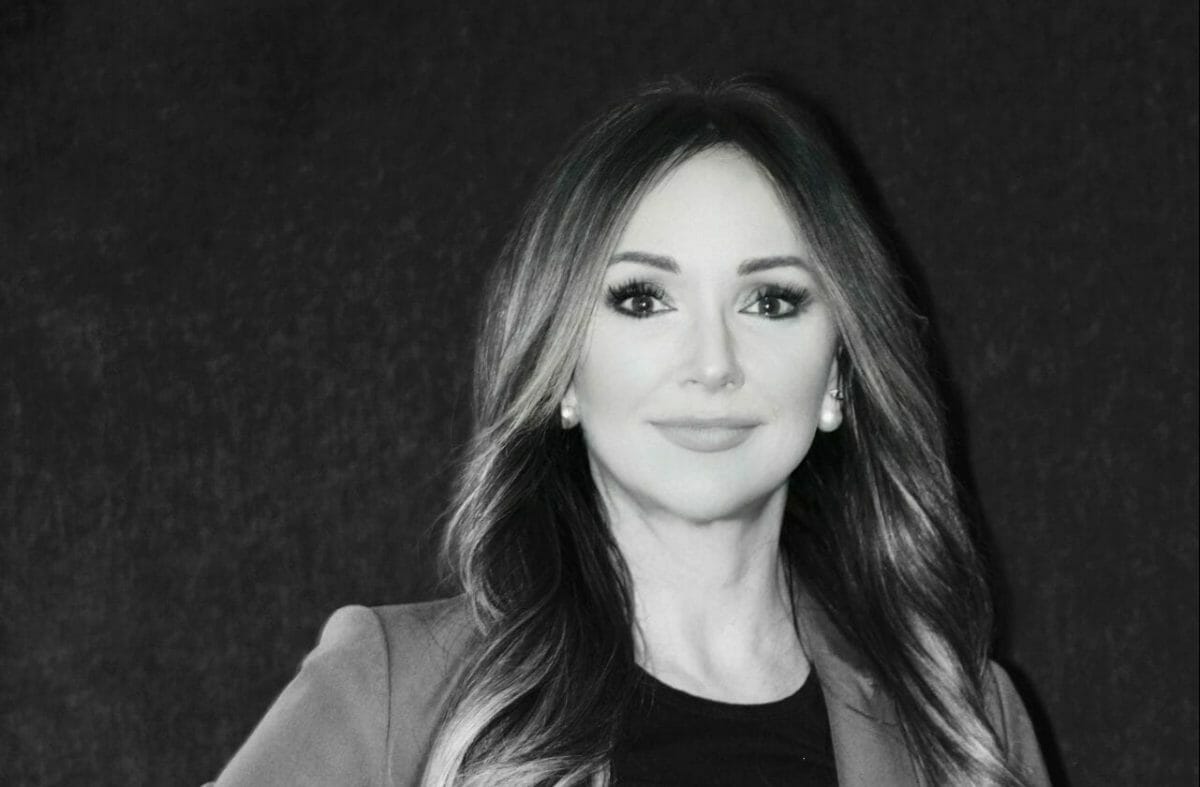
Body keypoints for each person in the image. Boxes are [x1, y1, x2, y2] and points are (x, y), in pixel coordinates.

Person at [212, 76, 1051, 786]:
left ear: (838, 371)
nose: (713, 363)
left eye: (770, 300)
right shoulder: (393, 690)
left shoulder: (966, 722)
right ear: (563, 366)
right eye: (644, 299)